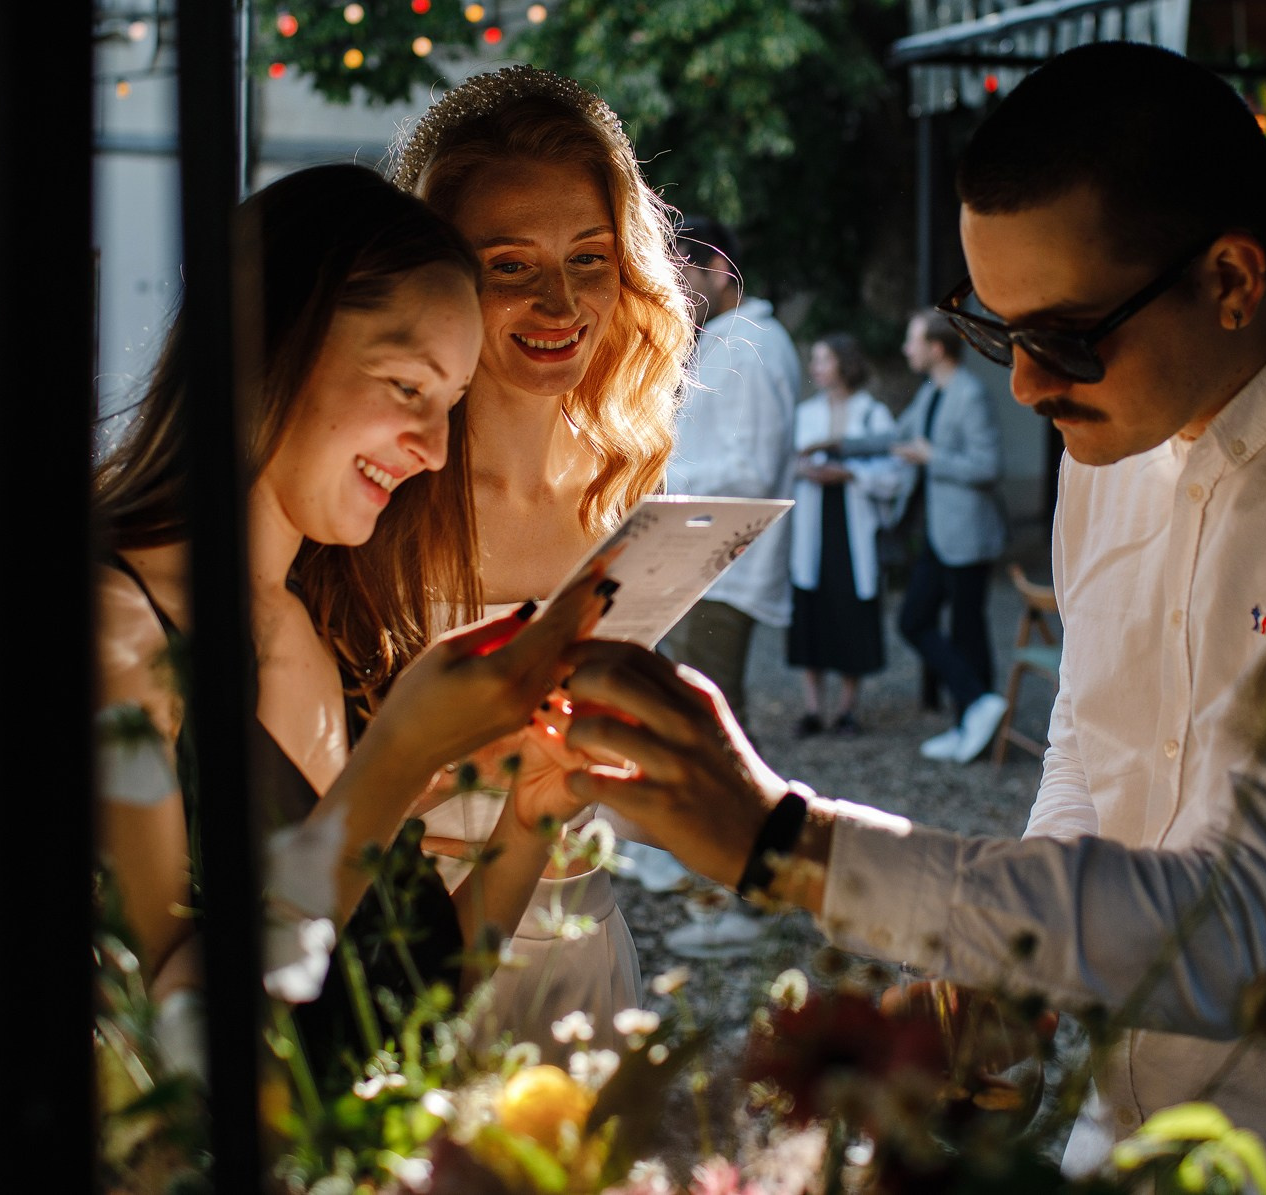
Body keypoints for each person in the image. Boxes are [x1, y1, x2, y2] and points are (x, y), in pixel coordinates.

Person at [557, 42, 1266, 1195]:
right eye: (996, 330)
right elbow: (1093, 750)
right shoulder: (1113, 446)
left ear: (1233, 280)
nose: (1025, 387)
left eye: (1062, 337)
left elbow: (1252, 918)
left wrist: (789, 843)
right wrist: (1015, 984)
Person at [93, 164, 609, 1082]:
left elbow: (405, 988)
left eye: (452, 405)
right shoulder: (116, 631)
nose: (437, 449)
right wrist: (396, 759)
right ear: (268, 346)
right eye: (408, 385)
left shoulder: (317, 619)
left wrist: (531, 813)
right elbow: (171, 1047)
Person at [391, 67, 693, 1036]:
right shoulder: (375, 498)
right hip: (407, 965)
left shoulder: (629, 488)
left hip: (588, 963)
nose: (559, 303)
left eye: (590, 258)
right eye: (511, 264)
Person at [665, 214, 801, 729]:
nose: (674, 288)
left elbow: (752, 471)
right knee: (699, 721)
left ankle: (756, 812)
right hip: (701, 561)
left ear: (719, 269)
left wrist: (656, 485)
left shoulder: (754, 343)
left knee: (711, 727)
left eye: (683, 274)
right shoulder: (724, 340)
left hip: (726, 567)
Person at [892, 310, 1010, 763]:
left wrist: (931, 457)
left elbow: (988, 467)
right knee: (914, 620)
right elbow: (897, 436)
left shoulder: (971, 394)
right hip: (939, 535)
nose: (907, 349)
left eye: (913, 340)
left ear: (937, 348)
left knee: (967, 629)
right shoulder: (931, 393)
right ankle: (977, 706)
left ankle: (973, 725)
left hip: (968, 534)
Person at [789, 333, 903, 737]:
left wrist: (851, 473)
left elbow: (894, 475)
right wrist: (805, 472)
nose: (815, 367)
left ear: (844, 364)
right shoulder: (805, 414)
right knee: (812, 611)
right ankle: (812, 708)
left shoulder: (872, 414)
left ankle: (846, 709)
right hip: (813, 526)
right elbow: (788, 465)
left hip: (853, 528)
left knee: (852, 613)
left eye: (823, 359)